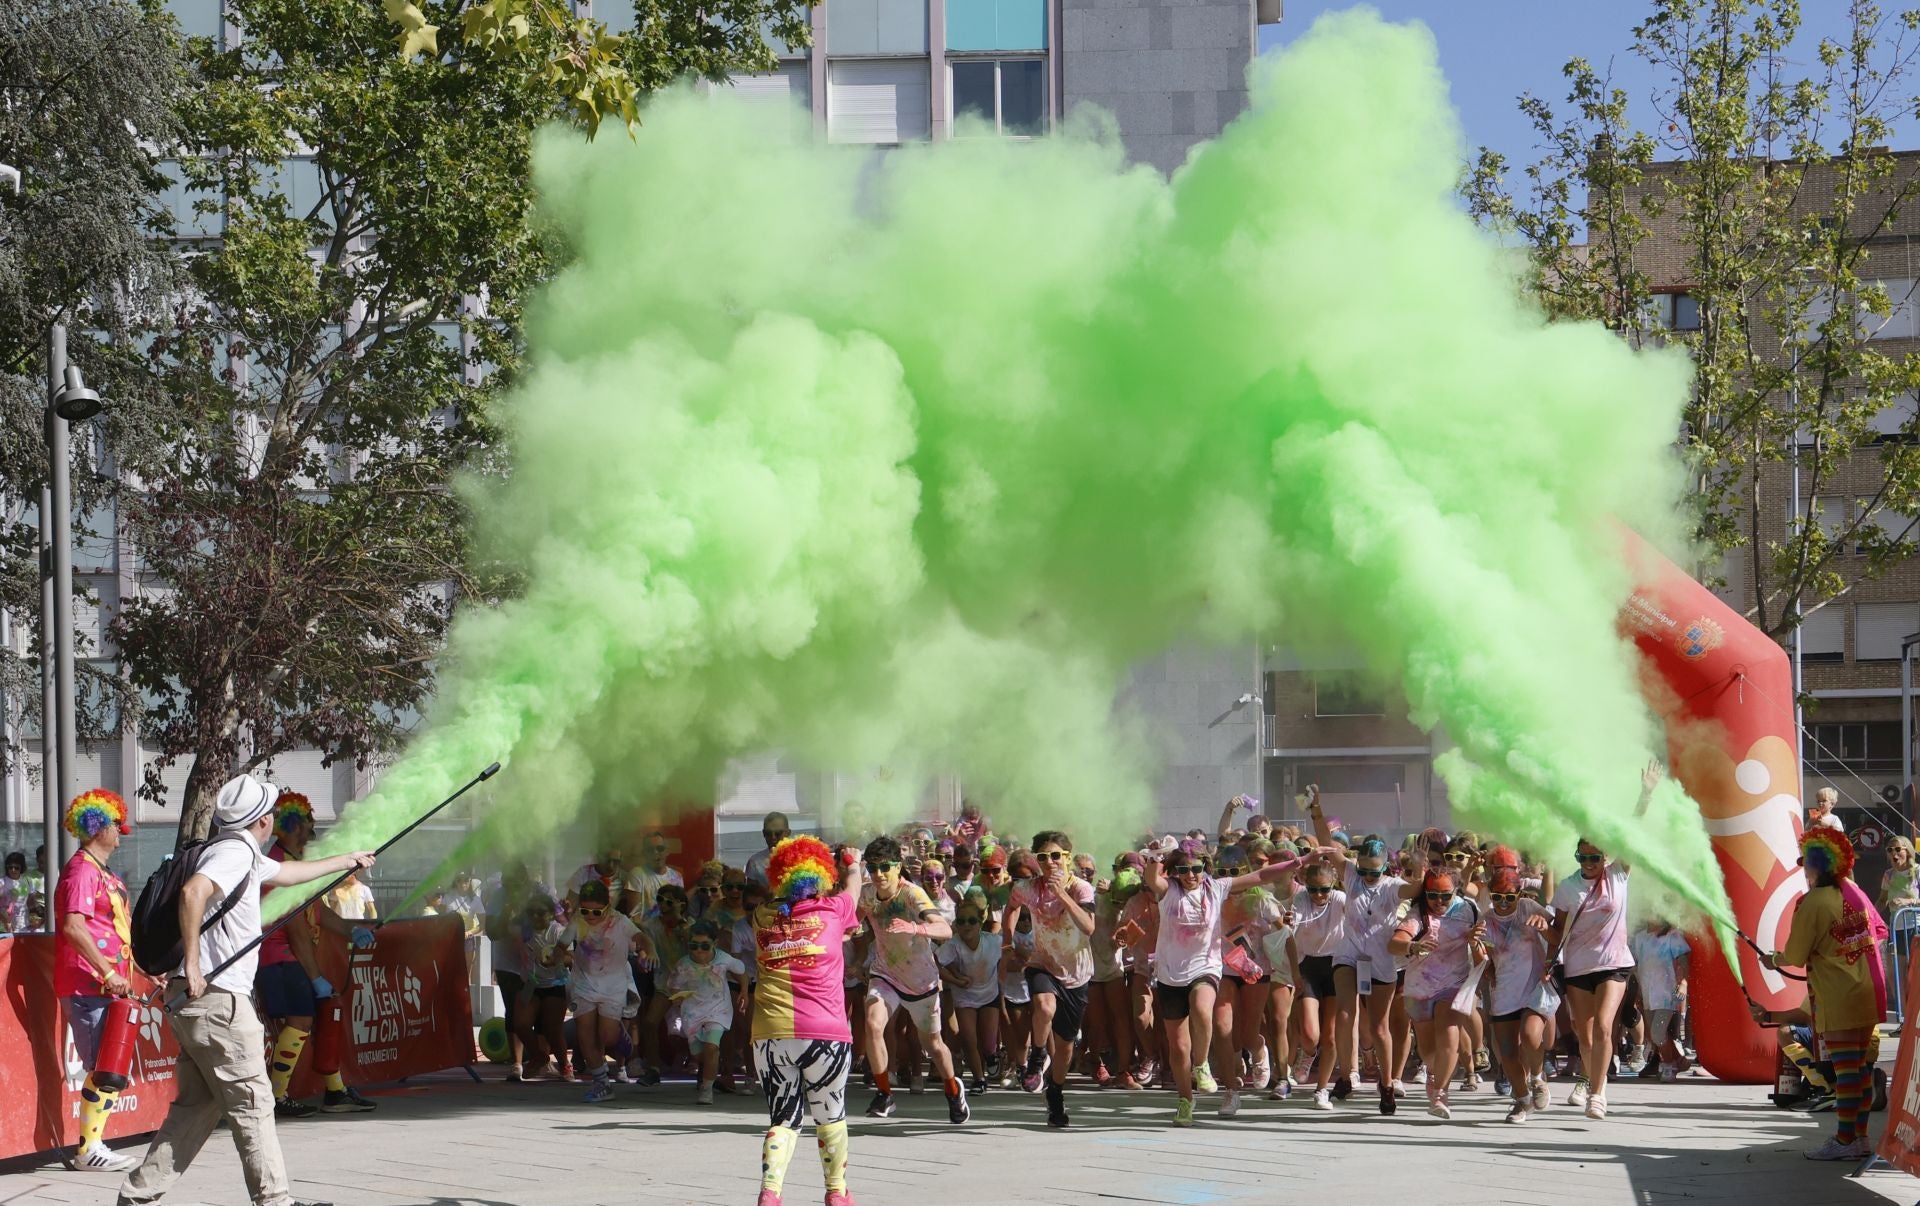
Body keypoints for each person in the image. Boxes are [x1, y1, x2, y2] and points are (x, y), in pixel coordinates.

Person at [119, 772, 373, 1206]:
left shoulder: (237, 851)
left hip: (200, 1006)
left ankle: (136, 1196)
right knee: (255, 1107)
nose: (274, 818)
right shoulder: (235, 854)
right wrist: (195, 963)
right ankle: (275, 1201)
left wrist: (346, 859)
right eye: (270, 813)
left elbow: (290, 872)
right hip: (219, 1005)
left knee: (193, 1112)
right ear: (260, 821)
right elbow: (192, 893)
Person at [1138, 835, 1321, 1125]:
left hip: (1207, 968)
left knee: (1203, 1010)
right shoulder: (1168, 890)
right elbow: (1153, 879)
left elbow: (1262, 875)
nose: (1191, 876)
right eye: (1183, 870)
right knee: (1178, 1047)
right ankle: (1186, 1100)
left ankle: (1202, 1067)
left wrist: (1300, 860)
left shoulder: (1216, 887)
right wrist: (1155, 857)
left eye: (1196, 869)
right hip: (1171, 974)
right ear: (1175, 872)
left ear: (1205, 868)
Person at [1760, 827, 1889, 1160]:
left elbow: (1795, 954)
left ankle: (1845, 1141)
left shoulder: (1814, 902)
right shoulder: (1855, 891)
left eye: (1806, 863)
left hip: (1839, 996)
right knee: (1859, 1070)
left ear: (1815, 866)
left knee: (1846, 1074)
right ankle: (1858, 1138)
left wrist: (1773, 959)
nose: (1804, 869)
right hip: (1867, 991)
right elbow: (1880, 929)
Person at [750, 836, 864, 1206]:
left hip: (771, 1033)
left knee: (783, 1118)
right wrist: (850, 862)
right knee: (830, 1115)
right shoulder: (833, 910)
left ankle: (771, 1192)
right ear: (821, 874)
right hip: (825, 1033)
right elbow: (854, 886)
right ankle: (836, 1192)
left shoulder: (761, 916)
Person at [253, 793, 376, 1119]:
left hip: (291, 958)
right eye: (308, 822)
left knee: (323, 1017)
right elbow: (295, 929)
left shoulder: (294, 862)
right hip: (279, 959)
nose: (313, 830)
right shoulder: (281, 864)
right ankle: (276, 1097)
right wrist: (316, 977)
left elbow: (318, 911)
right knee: (301, 1020)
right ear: (294, 826)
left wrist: (351, 931)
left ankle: (334, 1092)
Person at [1312, 786, 1419, 1117]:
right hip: (1349, 955)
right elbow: (1328, 847)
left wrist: (1421, 866)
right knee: (1345, 1013)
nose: (1368, 876)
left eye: (1375, 871)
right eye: (1364, 870)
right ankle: (1347, 1074)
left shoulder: (1390, 887)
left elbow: (1415, 888)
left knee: (1379, 1028)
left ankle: (1387, 1085)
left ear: (1386, 867)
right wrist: (1317, 812)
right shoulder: (1350, 875)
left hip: (1381, 961)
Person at [857, 834, 968, 1124]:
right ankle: (884, 1093)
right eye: (872, 868)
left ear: (898, 867)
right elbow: (850, 924)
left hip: (921, 980)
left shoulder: (912, 894)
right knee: (872, 1023)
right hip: (885, 973)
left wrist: (914, 928)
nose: (878, 874)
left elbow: (944, 930)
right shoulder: (867, 894)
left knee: (933, 1044)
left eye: (885, 867)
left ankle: (953, 1089)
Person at [55, 789, 138, 1171]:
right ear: (97, 825)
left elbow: (117, 928)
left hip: (109, 984)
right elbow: (73, 926)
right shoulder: (81, 871)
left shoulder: (103, 872)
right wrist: (106, 971)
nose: (122, 830)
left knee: (110, 1064)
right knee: (102, 1067)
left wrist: (140, 968)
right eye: (116, 823)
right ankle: (89, 1149)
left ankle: (94, 1145)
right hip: (88, 985)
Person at [1004, 829, 1097, 1128]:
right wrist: (1008, 944)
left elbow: (1088, 927)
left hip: (1076, 972)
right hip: (1042, 962)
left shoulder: (1081, 889)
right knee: (1044, 1007)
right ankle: (1037, 1055)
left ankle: (1055, 1092)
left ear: (1067, 858)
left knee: (1067, 1046)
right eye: (1043, 857)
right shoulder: (1028, 887)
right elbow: (1011, 907)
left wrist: (1061, 895)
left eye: (1056, 856)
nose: (1050, 862)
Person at [1390, 869, 1484, 1120]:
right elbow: (1394, 943)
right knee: (1429, 1050)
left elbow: (1484, 951)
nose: (1439, 902)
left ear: (1456, 891)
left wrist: (1476, 942)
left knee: (1449, 1039)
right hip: (1419, 989)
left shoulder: (1468, 910)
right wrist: (1412, 945)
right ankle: (1433, 1072)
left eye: (1446, 896)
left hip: (1454, 984)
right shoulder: (1417, 914)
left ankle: (1441, 1093)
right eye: (1433, 895)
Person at [1480, 866, 1556, 1123]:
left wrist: (1545, 926)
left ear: (1519, 894)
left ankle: (1537, 1078)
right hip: (1504, 991)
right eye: (1497, 897)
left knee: (1531, 1035)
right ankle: (1522, 1101)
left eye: (1509, 897)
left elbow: (1557, 937)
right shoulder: (1487, 920)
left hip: (1534, 987)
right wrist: (1475, 946)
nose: (1503, 903)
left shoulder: (1528, 908)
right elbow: (1487, 958)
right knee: (1507, 1051)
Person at [570, 880, 656, 1103]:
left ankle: (618, 1031)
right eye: (585, 910)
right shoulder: (578, 921)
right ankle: (602, 1084)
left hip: (613, 983)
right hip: (584, 984)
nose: (590, 916)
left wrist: (651, 950)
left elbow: (641, 938)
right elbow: (561, 947)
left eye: (596, 911)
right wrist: (554, 957)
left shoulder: (620, 921)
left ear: (607, 907)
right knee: (584, 1034)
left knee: (607, 1037)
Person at [668, 919, 750, 1103]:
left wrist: (744, 991)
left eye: (704, 946)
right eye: (694, 945)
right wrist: (677, 997)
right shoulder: (683, 965)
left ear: (715, 943)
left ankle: (707, 1090)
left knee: (712, 1047)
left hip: (718, 1009)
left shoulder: (723, 959)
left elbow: (741, 971)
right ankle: (711, 1065)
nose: (699, 950)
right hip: (692, 1012)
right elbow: (673, 987)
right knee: (698, 1055)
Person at [938, 896, 1003, 1093]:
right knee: (968, 1038)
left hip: (989, 995)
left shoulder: (993, 941)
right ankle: (979, 1079)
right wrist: (956, 980)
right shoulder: (953, 944)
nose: (967, 925)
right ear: (956, 924)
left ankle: (992, 1055)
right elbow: (935, 963)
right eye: (962, 921)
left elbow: (1011, 955)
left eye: (972, 921)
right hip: (965, 997)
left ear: (981, 922)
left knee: (988, 1042)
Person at [517, 892, 574, 1081]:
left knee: (552, 1028)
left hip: (555, 983)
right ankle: (539, 1056)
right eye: (530, 912)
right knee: (520, 1023)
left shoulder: (558, 931)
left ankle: (564, 1065)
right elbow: (497, 929)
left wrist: (556, 960)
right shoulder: (524, 930)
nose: (534, 917)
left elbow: (571, 958)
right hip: (532, 984)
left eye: (540, 913)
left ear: (550, 914)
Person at [1629, 917, 1692, 1081]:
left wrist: (1684, 983)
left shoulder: (1672, 936)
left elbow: (1684, 960)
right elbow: (1636, 965)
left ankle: (1669, 1064)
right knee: (1653, 1034)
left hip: (1667, 994)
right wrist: (1637, 992)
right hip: (1648, 993)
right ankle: (1679, 1059)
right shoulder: (1640, 938)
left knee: (1657, 1033)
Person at [565, 846, 639, 916]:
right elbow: (570, 906)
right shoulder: (583, 874)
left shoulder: (624, 878)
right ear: (598, 857)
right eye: (607, 860)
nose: (611, 866)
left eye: (616, 861)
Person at [746, 812, 792, 891]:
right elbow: (751, 895)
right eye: (768, 833)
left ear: (788, 833)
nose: (773, 837)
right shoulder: (755, 862)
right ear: (763, 833)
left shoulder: (801, 857)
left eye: (778, 833)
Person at [2, 850, 30, 933]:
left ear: (21, 868)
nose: (13, 870)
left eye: (16, 867)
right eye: (10, 867)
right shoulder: (2, 882)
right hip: (5, 927)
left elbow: (30, 902)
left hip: (24, 926)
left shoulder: (27, 881)